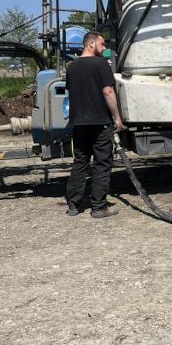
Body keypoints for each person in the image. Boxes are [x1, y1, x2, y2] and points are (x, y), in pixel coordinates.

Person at [65, 31, 123, 218]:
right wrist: (117, 117)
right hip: (100, 123)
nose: (105, 48)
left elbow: (73, 94)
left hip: (79, 124)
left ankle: (73, 206)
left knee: (80, 163)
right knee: (101, 164)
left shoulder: (72, 67)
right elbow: (108, 92)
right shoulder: (100, 64)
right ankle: (98, 207)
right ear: (91, 44)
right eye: (102, 44)